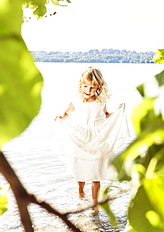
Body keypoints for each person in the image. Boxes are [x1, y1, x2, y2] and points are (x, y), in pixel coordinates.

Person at [53, 66, 130, 207]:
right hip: (80, 138)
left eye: (92, 87)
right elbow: (67, 114)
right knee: (80, 168)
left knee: (96, 173)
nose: (88, 90)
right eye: (85, 86)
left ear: (99, 87)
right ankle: (81, 193)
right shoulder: (76, 101)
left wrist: (117, 111)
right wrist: (60, 118)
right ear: (80, 85)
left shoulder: (101, 100)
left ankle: (94, 203)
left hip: (97, 139)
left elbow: (106, 115)